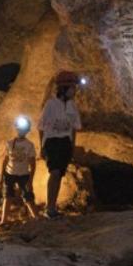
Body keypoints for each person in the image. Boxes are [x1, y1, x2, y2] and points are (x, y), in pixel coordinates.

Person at [38, 70, 82, 219]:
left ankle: (52, 207)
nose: (74, 91)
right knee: (55, 173)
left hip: (65, 142)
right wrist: (42, 147)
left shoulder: (72, 106)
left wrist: (72, 146)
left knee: (59, 174)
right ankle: (49, 208)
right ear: (64, 89)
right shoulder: (51, 104)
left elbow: (74, 127)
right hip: (52, 141)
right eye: (72, 88)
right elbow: (41, 127)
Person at [0, 115, 37, 229]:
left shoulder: (29, 145)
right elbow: (5, 161)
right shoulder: (9, 143)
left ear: (27, 130)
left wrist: (30, 181)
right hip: (10, 173)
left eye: (23, 128)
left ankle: (36, 218)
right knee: (7, 196)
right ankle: (3, 221)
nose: (20, 130)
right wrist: (1, 177)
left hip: (23, 174)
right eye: (18, 128)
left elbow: (33, 164)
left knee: (28, 196)